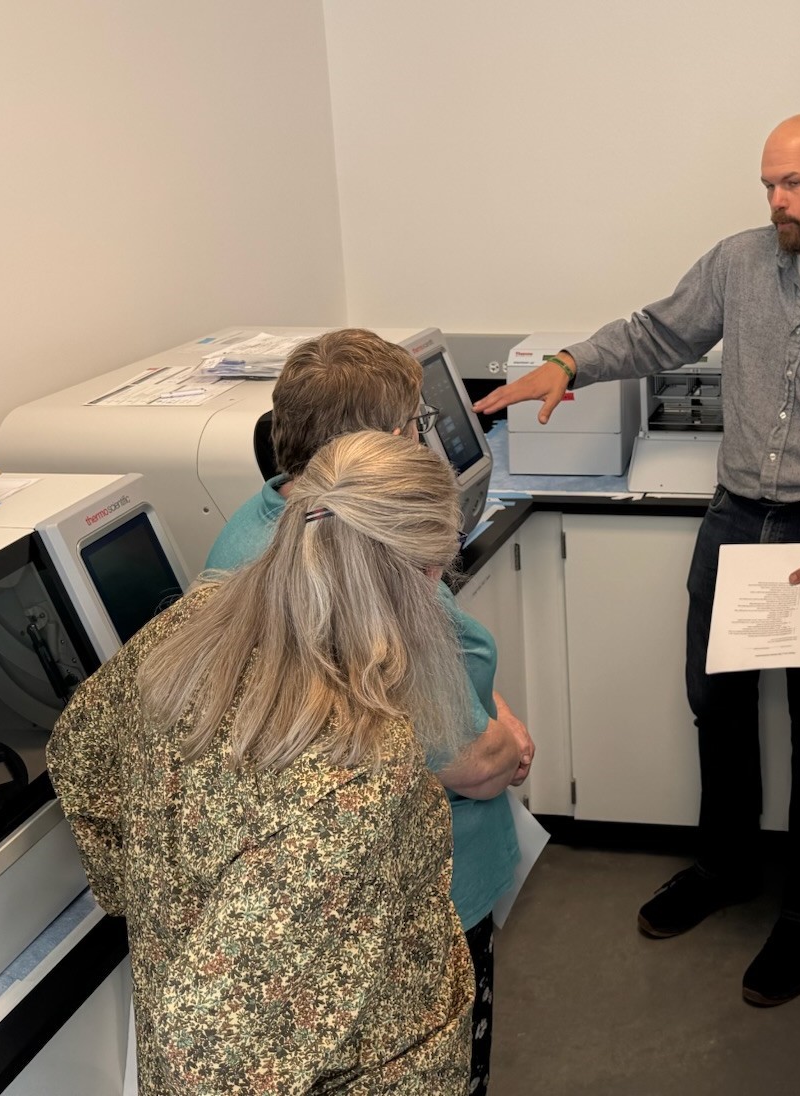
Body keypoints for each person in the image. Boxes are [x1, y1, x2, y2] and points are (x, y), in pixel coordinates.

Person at [474, 114, 800, 1005]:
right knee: (716, 703)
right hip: (738, 519)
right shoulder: (738, 262)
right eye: (767, 183)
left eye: (793, 184)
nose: (776, 201)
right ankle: (724, 866)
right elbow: (656, 335)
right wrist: (568, 363)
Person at [49, 431, 477, 1094]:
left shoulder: (190, 626)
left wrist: (153, 899)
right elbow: (218, 1056)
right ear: (417, 575)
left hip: (170, 999)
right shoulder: (357, 759)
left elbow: (78, 755)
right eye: (439, 568)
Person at [206, 328, 530, 1094]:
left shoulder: (260, 526)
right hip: (420, 902)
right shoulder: (358, 579)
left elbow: (438, 660)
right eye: (418, 424)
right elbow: (471, 764)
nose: (429, 437)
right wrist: (508, 739)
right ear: (385, 441)